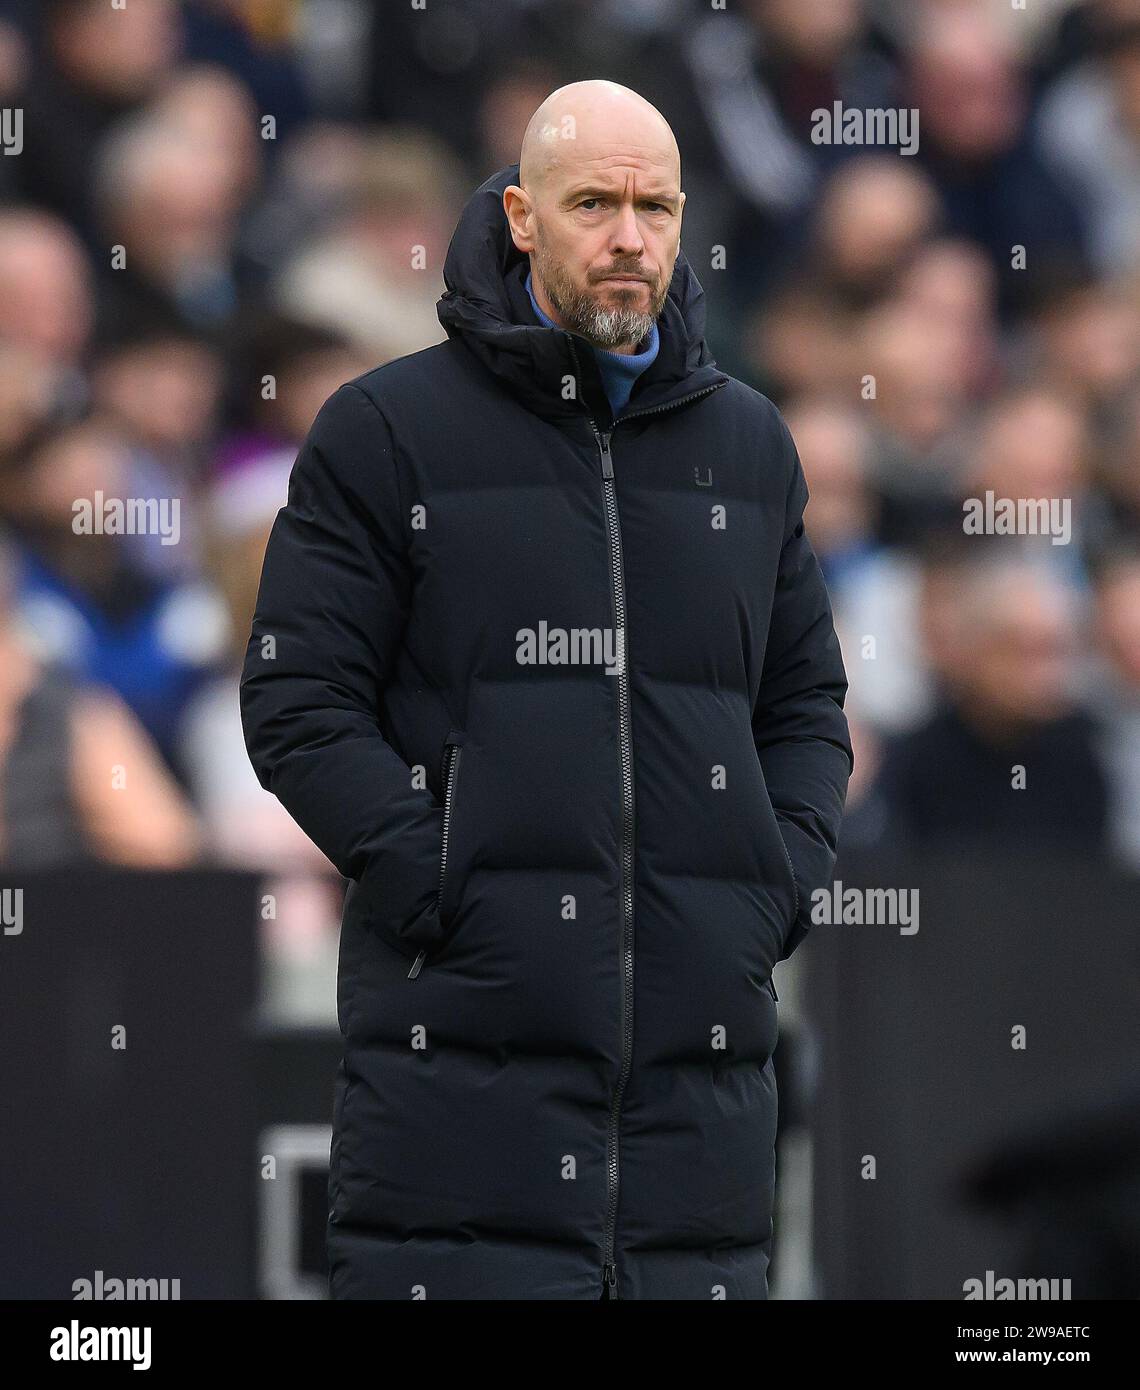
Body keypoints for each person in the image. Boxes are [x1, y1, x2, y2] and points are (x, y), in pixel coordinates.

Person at [241, 80, 852, 1301]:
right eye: (594, 204)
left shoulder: (752, 446)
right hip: (458, 1097)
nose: (631, 236)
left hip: (702, 1118)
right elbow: (298, 699)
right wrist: (442, 875)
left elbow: (805, 710)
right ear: (521, 216)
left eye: (656, 206)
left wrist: (766, 890)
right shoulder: (384, 430)